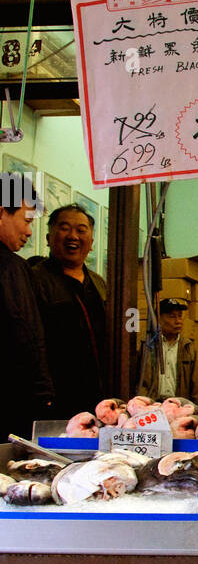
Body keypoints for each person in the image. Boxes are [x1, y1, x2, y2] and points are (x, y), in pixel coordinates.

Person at [30, 204, 107, 420]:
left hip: (97, 400)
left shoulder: (100, 284)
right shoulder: (34, 279)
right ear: (48, 237)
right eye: (64, 228)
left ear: (91, 242)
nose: (73, 235)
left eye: (81, 230)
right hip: (52, 400)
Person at [0, 176, 54, 441]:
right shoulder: (11, 268)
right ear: (2, 213)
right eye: (27, 221)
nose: (29, 232)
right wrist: (42, 392)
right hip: (10, 402)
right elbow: (26, 334)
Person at [137, 297, 198, 407]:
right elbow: (140, 382)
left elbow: (196, 386)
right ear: (158, 319)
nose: (178, 321)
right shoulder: (148, 345)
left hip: (178, 407)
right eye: (171, 316)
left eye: (179, 316)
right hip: (152, 406)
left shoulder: (188, 347)